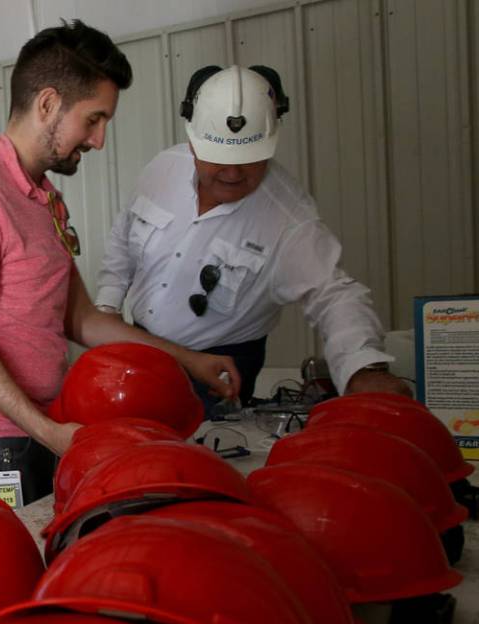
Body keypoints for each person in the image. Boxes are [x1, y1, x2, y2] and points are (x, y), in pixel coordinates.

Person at [0, 20, 239, 505]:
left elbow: (84, 320)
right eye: (94, 119)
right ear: (47, 104)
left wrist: (190, 361)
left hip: (37, 429)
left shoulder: (41, 199)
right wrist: (48, 431)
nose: (99, 140)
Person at [96, 65, 410, 409]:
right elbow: (123, 238)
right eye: (219, 158)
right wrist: (107, 306)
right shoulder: (163, 167)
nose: (232, 173)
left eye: (250, 159)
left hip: (215, 373)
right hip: (135, 348)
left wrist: (362, 368)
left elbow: (334, 295)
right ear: (192, 141)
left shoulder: (289, 220)